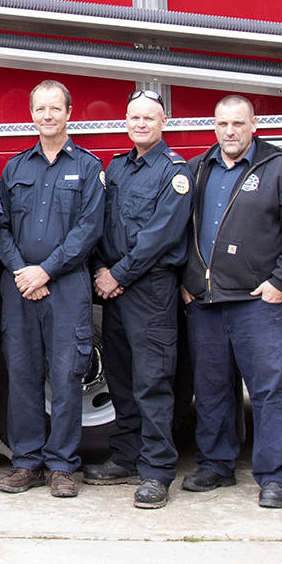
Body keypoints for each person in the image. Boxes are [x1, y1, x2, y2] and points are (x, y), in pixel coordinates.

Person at [181, 95, 282, 509]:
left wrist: (280, 282)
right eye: (222, 124)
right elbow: (179, 230)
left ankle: (274, 476)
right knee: (211, 390)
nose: (230, 132)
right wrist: (185, 282)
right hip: (205, 303)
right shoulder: (197, 169)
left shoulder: (279, 170)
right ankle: (215, 465)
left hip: (257, 303)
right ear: (214, 126)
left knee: (269, 390)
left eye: (238, 124)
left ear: (254, 125)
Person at [0, 79, 104, 496]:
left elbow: (89, 229)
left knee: (67, 374)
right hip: (19, 286)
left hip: (66, 286)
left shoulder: (88, 167)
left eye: (55, 108)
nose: (47, 116)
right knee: (21, 374)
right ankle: (27, 462)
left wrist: (46, 271)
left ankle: (62, 465)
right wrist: (23, 270)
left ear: (69, 113)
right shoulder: (16, 167)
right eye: (40, 109)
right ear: (32, 114)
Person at [88, 88, 193, 509]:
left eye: (149, 118)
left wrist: (116, 275)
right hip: (114, 288)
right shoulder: (117, 168)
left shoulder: (174, 173)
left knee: (152, 382)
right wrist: (101, 270)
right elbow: (101, 223)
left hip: (149, 290)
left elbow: (160, 237)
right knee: (121, 378)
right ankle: (126, 456)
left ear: (163, 122)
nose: (141, 124)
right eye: (134, 117)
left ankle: (156, 470)